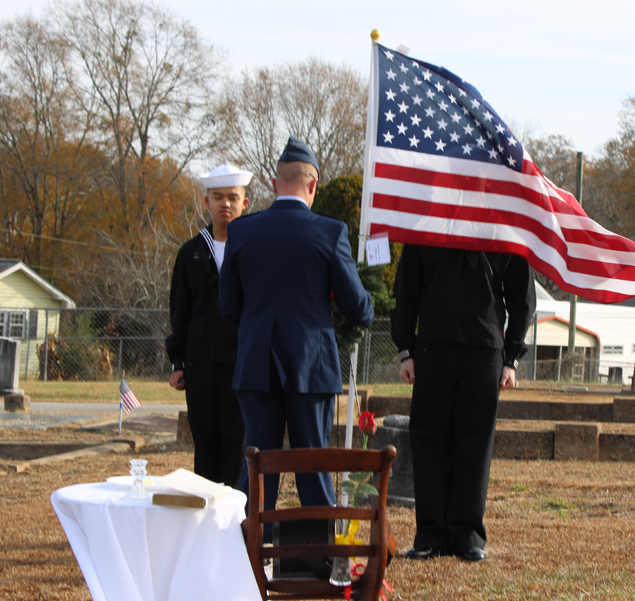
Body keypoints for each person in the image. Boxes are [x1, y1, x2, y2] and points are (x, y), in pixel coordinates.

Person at [219, 137, 373, 531]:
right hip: (312, 366)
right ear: (313, 185)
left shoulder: (241, 232)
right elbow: (358, 306)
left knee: (258, 467)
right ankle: (321, 555)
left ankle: (251, 554)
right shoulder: (329, 232)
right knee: (313, 466)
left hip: (256, 365)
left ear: (274, 184)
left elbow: (228, 306)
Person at [391, 245, 536, 562]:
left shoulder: (506, 230)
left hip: (485, 351)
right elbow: (407, 290)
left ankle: (468, 535)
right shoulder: (427, 225)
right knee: (429, 442)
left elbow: (522, 299)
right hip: (431, 349)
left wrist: (511, 358)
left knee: (474, 445)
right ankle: (430, 534)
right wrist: (406, 349)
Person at [166, 164, 251, 488]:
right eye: (217, 197)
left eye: (232, 197)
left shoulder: (251, 250)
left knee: (236, 445)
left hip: (241, 364)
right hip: (200, 365)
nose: (224, 204)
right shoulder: (190, 253)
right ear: (206, 202)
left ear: (245, 202)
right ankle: (205, 518)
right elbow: (180, 312)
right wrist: (178, 362)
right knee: (205, 445)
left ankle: (232, 521)